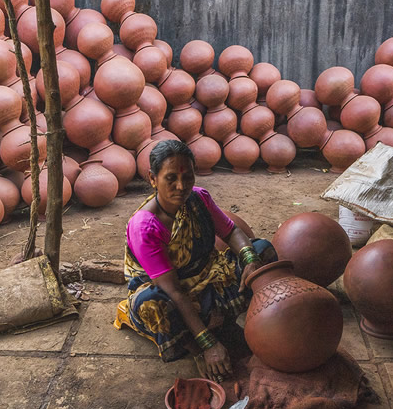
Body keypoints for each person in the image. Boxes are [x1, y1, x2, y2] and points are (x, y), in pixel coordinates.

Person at [117, 140, 276, 381]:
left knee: (261, 249)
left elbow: (231, 232)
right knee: (151, 304)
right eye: (170, 178)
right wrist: (207, 344)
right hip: (169, 293)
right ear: (152, 178)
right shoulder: (145, 226)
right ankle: (194, 339)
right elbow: (175, 291)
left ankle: (225, 319)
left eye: (188, 177)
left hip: (207, 277)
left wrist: (250, 259)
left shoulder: (199, 198)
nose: (181, 187)